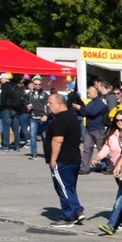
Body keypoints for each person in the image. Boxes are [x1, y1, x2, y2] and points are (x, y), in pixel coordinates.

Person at [44, 91, 84, 226]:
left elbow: (57, 141)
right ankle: (77, 210)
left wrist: (53, 159)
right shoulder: (72, 117)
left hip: (63, 159)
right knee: (69, 187)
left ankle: (68, 216)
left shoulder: (60, 120)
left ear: (60, 104)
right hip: (73, 158)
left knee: (63, 188)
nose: (48, 105)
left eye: (50, 103)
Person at [77, 83, 108, 174]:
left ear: (95, 93)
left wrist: (81, 108)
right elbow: (85, 113)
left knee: (102, 149)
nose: (87, 94)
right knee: (87, 149)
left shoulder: (99, 103)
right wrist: (79, 109)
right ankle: (84, 168)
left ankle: (108, 166)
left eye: (89, 93)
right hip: (89, 129)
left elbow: (93, 112)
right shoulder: (90, 103)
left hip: (98, 129)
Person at [26, 76, 49, 159]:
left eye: (39, 84)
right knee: (33, 136)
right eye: (36, 84)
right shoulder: (29, 94)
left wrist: (46, 115)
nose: (38, 85)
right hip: (33, 117)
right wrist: (27, 107)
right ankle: (33, 152)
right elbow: (26, 104)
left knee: (45, 136)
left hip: (42, 117)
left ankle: (47, 153)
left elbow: (49, 106)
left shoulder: (44, 94)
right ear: (33, 84)